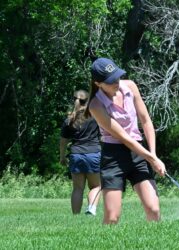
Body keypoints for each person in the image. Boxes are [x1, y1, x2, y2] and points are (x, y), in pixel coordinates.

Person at [85, 57, 166, 224]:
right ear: (98, 83)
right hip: (113, 157)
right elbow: (124, 137)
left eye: (117, 76)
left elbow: (146, 120)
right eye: (110, 80)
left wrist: (153, 154)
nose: (116, 82)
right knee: (112, 217)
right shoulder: (95, 105)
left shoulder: (130, 86)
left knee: (154, 209)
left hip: (139, 153)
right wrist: (152, 159)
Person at [60, 90, 102, 216]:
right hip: (93, 153)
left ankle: (76, 217)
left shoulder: (69, 119)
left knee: (78, 188)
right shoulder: (96, 116)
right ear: (88, 101)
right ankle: (91, 208)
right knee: (96, 186)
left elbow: (63, 142)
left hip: (76, 154)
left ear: (74, 100)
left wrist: (62, 157)